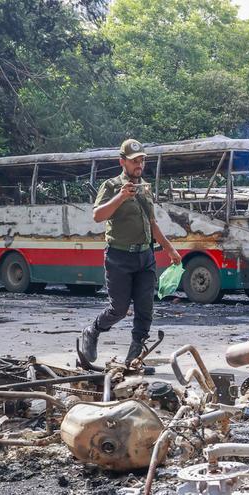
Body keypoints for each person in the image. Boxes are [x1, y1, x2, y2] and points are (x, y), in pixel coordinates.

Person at [79, 139, 181, 365]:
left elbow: (152, 223)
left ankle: (133, 360)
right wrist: (121, 196)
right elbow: (98, 216)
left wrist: (170, 249)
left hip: (145, 256)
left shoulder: (145, 188)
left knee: (146, 310)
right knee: (119, 309)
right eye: (134, 161)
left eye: (142, 160)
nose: (139, 165)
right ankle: (92, 330)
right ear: (122, 161)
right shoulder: (112, 186)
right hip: (119, 257)